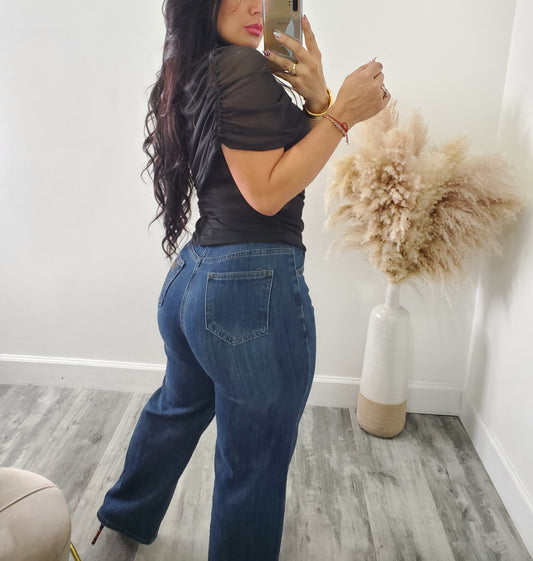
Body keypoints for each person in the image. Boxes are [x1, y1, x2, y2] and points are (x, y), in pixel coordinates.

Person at [93, 0, 389, 559]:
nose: (258, 5)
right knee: (252, 462)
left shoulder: (199, 68)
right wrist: (343, 114)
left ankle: (118, 525)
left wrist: (320, 99)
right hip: (249, 294)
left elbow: (282, 162)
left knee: (175, 410)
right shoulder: (241, 65)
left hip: (193, 281)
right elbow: (267, 192)